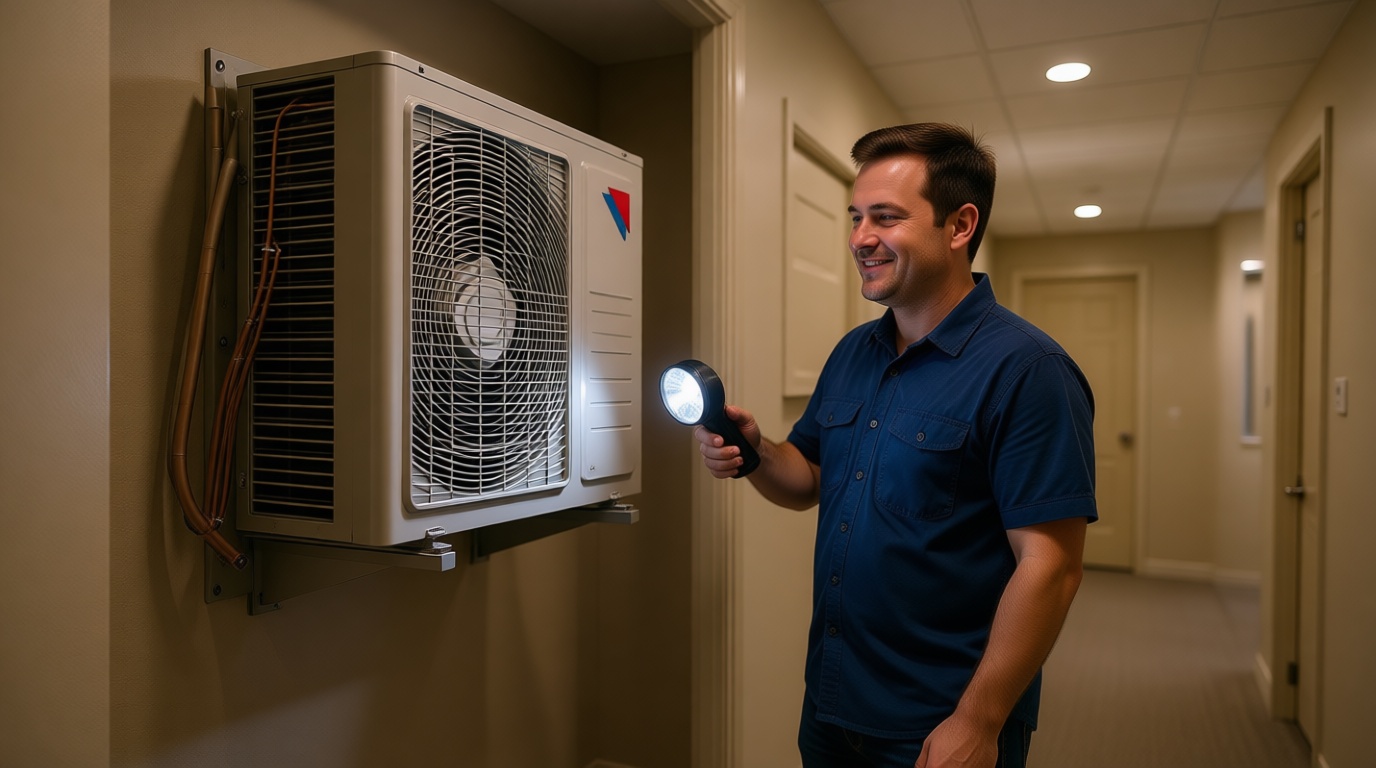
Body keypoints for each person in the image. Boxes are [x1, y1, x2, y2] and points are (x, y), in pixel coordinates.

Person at [691, 123, 1096, 768]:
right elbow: (810, 476)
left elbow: (1052, 566)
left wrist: (979, 719)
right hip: (832, 702)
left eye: (885, 217)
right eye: (855, 218)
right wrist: (757, 450)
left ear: (960, 226)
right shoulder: (854, 352)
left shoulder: (1027, 370)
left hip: (938, 722)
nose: (859, 239)